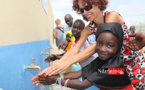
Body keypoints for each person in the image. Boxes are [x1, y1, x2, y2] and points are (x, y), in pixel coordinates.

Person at [32, 0, 145, 89]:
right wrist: (52, 69)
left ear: (98, 3)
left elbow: (98, 46)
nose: (85, 12)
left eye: (88, 7)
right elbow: (74, 49)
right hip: (117, 69)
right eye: (81, 10)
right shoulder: (89, 28)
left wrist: (67, 63)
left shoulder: (112, 16)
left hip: (135, 64)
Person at [35, 23, 134, 90]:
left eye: (109, 45)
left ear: (119, 45)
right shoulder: (102, 60)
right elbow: (80, 73)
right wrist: (57, 76)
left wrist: (55, 80)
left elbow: (83, 84)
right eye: (99, 43)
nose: (103, 49)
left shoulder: (115, 67)